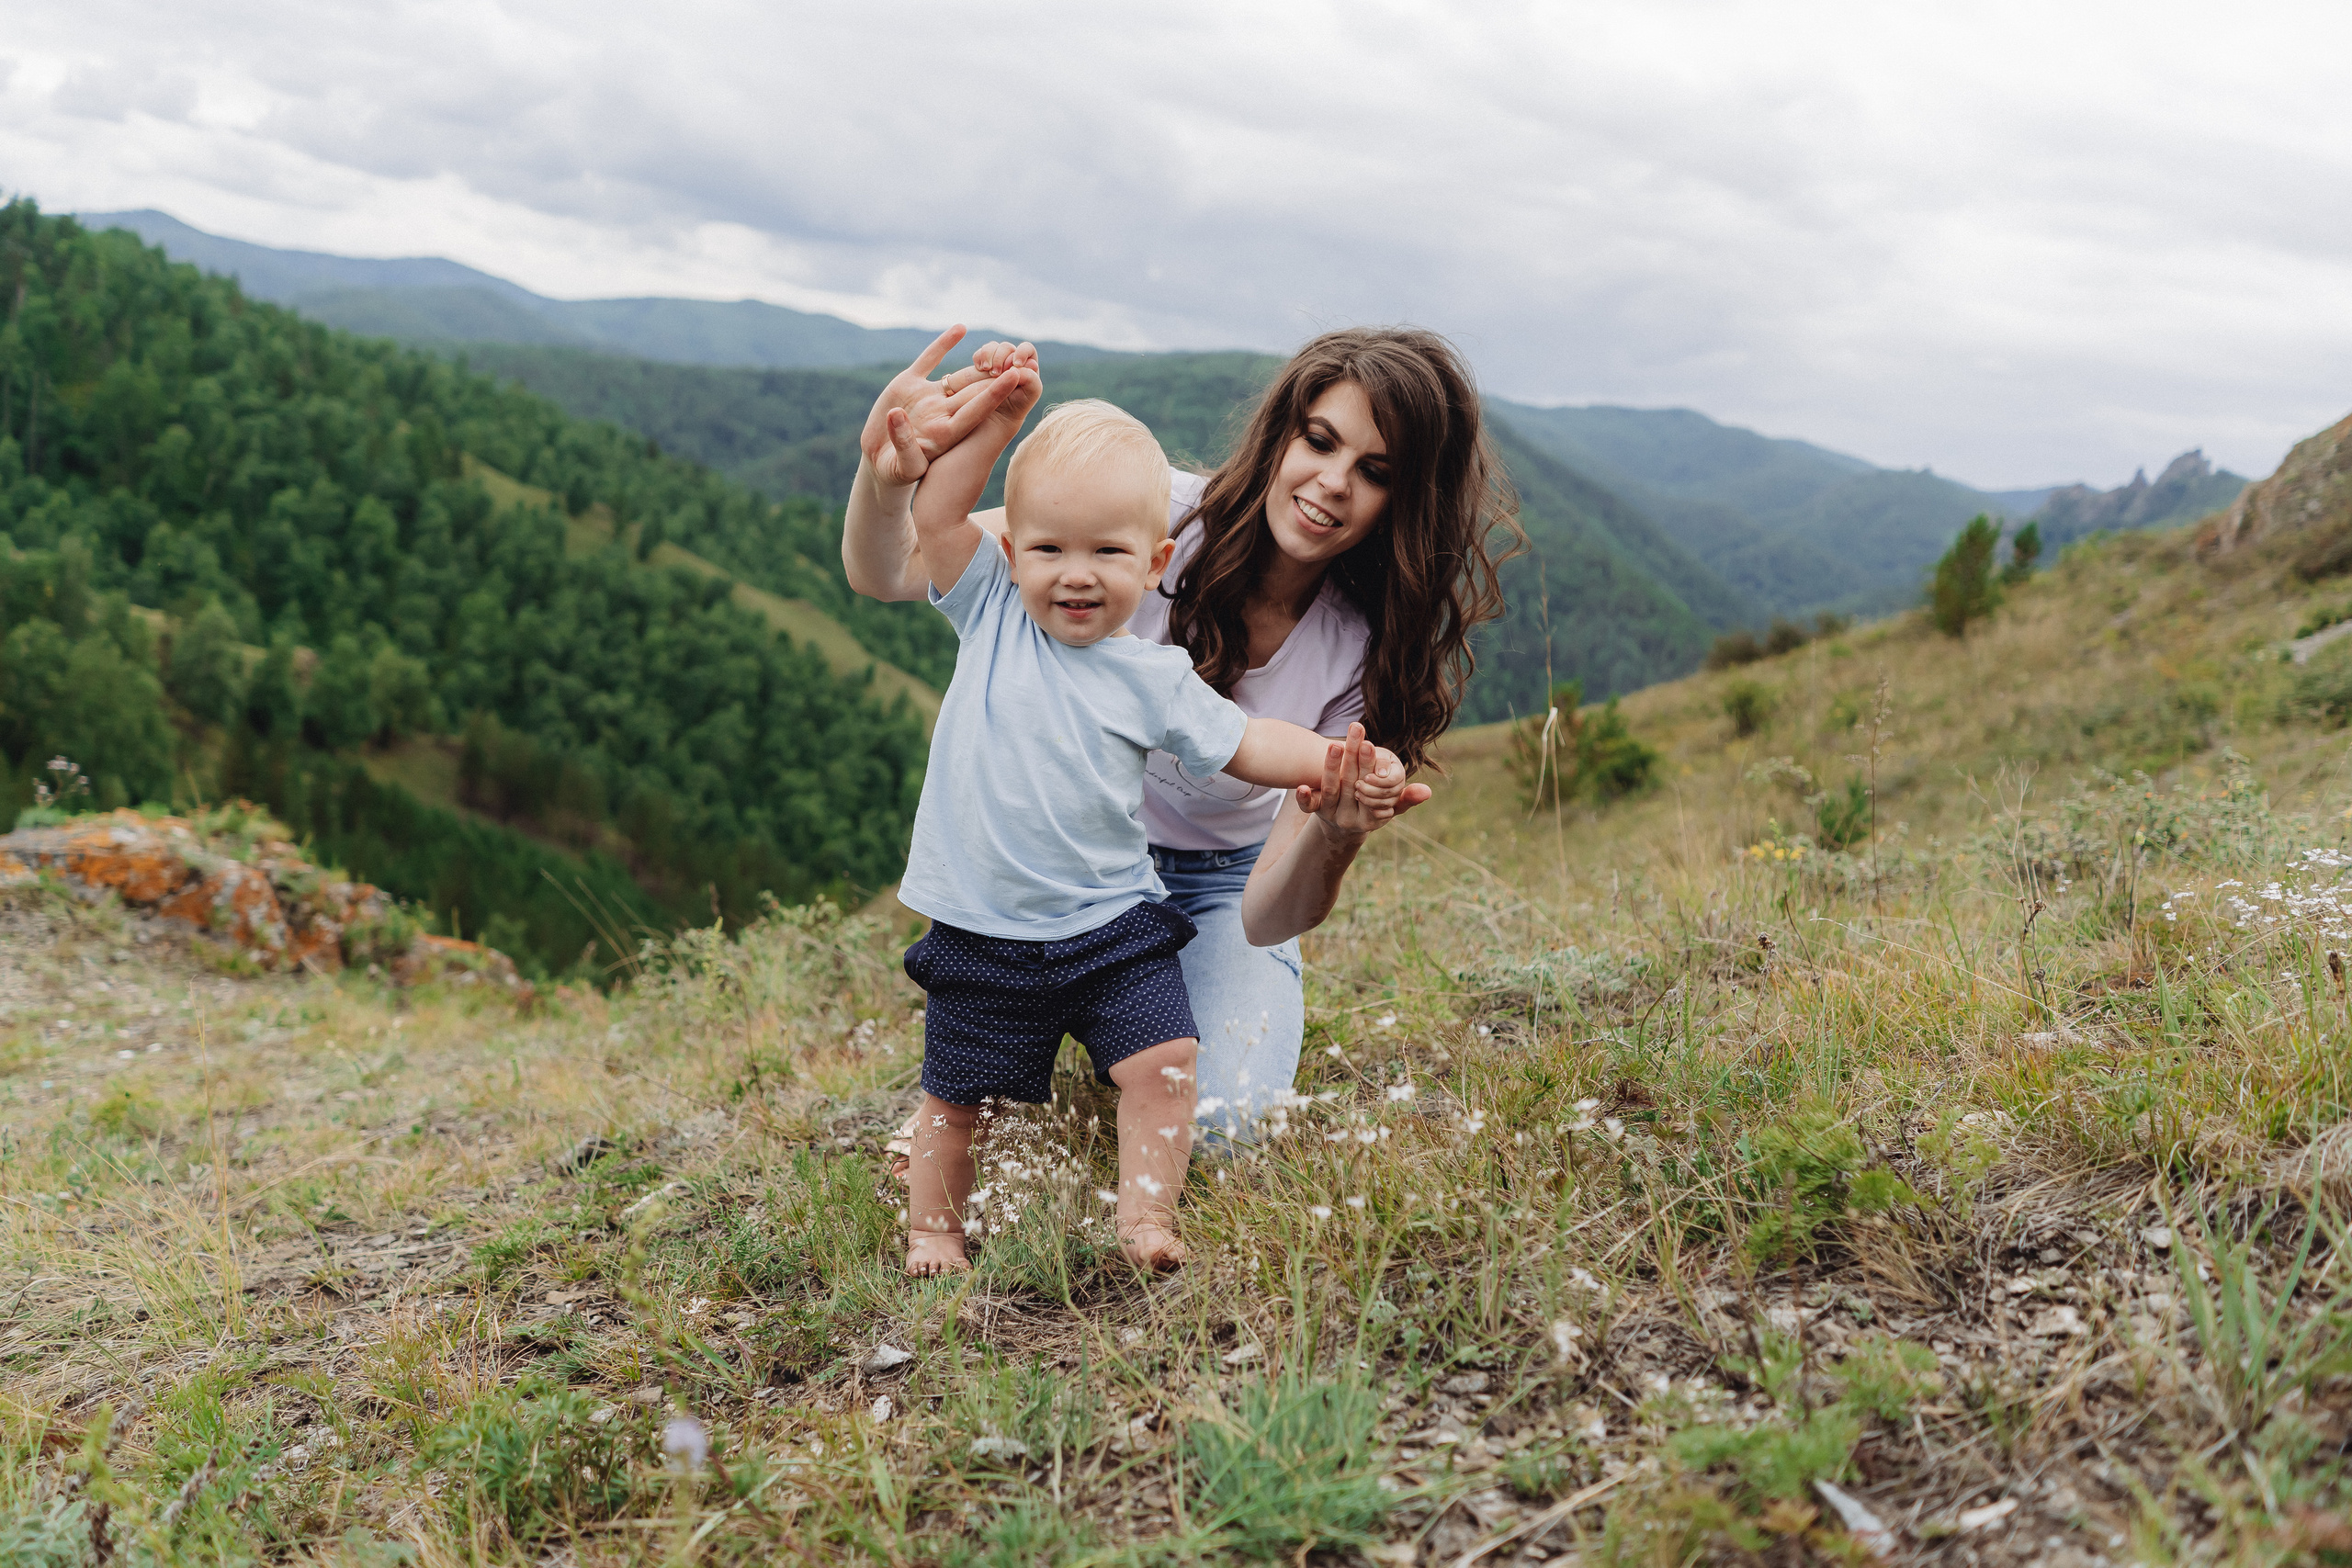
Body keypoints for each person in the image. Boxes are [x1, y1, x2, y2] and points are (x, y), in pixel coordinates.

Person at [848, 324, 1516, 1143]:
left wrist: (1337, 835)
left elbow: (1268, 916)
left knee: (1225, 1127)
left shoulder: (1366, 653)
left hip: (1216, 887)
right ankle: (1039, 1038)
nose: (1334, 482)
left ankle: (1128, 1020)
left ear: (1403, 503)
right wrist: (887, 479)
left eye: (1375, 472)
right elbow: (896, 568)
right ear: (1283, 434)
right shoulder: (1148, 513)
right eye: (1320, 440)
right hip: (1067, 855)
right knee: (973, 1094)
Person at [889, 394, 1406, 1274]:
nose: (1077, 575)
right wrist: (991, 428)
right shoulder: (991, 610)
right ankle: (933, 1230)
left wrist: (1338, 761)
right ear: (1010, 553)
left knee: (1166, 1058)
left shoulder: (1153, 676)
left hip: (1112, 919)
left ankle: (1146, 1223)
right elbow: (934, 513)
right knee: (954, 1095)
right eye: (1049, 550)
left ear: (1156, 561)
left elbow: (1249, 744)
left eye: (1109, 554)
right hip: (985, 919)